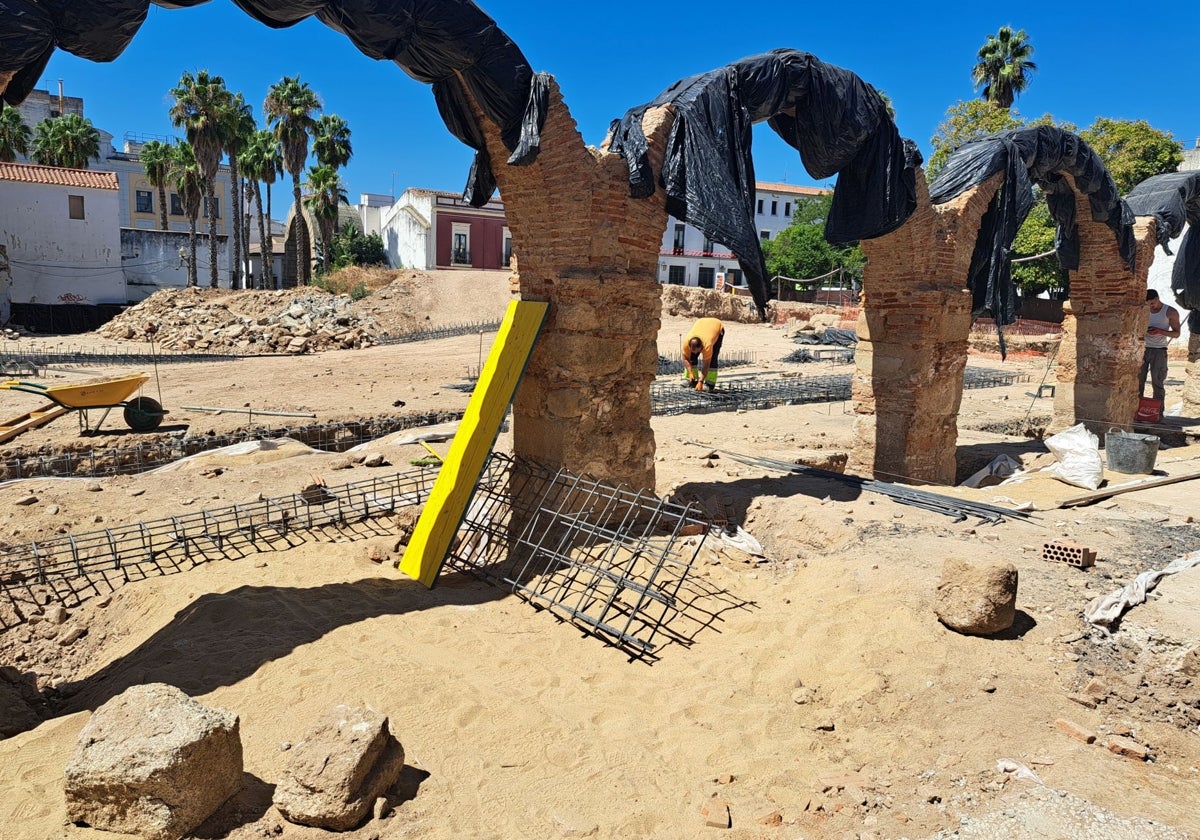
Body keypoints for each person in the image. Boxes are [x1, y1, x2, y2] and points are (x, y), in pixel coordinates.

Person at [1139, 289, 1180, 405]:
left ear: (1157, 299)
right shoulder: (1143, 310)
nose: (1151, 307)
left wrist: (1160, 331)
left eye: (1152, 303)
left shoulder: (1170, 312)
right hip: (1142, 349)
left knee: (1157, 383)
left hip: (1159, 351)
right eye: (1148, 305)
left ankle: (1158, 414)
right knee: (1137, 382)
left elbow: (1177, 334)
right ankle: (1136, 412)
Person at [681, 317, 725, 392]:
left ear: (702, 347)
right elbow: (685, 359)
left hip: (717, 326)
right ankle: (691, 379)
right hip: (701, 323)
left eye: (697, 351)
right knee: (692, 357)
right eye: (693, 351)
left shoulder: (707, 345)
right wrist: (690, 372)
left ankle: (710, 383)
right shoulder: (686, 343)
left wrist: (701, 382)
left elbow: (706, 365)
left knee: (712, 359)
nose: (696, 353)